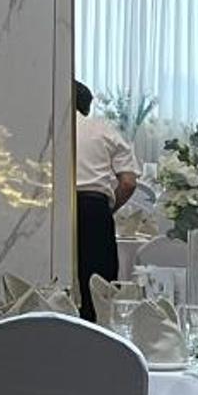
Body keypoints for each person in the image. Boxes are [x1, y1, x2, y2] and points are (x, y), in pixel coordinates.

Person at [72, 80, 137, 311]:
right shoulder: (103, 129)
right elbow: (128, 182)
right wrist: (108, 209)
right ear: (86, 108)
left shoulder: (46, 129)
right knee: (98, 290)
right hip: (94, 209)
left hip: (51, 211)